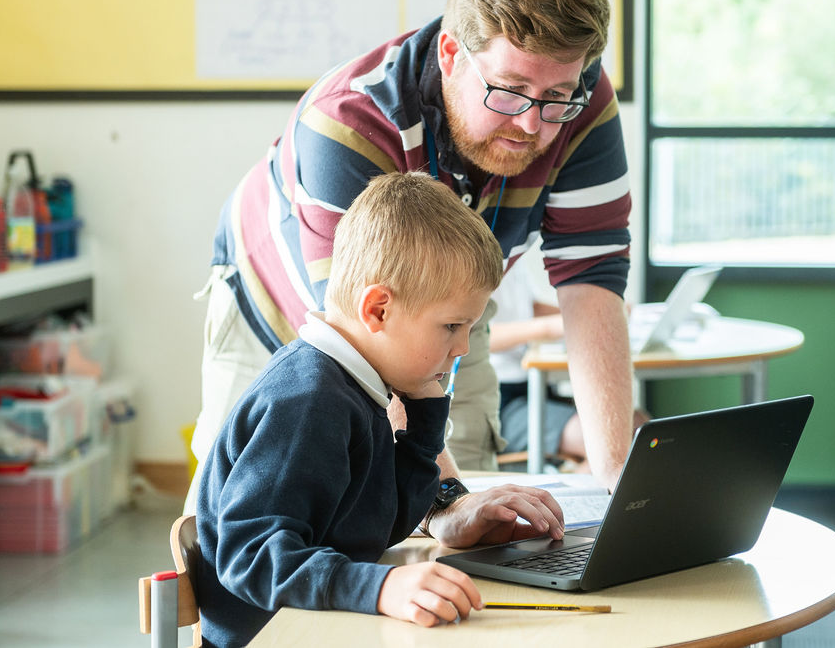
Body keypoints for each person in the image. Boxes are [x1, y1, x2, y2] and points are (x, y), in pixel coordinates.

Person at [186, 0, 635, 531]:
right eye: (510, 92)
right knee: (258, 523)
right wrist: (445, 497)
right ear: (452, 55)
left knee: (480, 526)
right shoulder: (347, 125)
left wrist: (620, 490)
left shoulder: (576, 98)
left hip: (447, 305)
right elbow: (365, 339)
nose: (534, 124)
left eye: (555, 96)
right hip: (291, 311)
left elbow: (592, 273)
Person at [195, 173, 564, 647]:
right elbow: (251, 557)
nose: (463, 347)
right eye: (452, 326)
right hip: (275, 636)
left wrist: (425, 415)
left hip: (322, 625)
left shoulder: (357, 385)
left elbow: (379, 522)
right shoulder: (308, 400)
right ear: (378, 311)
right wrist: (380, 586)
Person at [490, 262, 650, 471]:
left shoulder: (515, 258)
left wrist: (601, 315)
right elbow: (479, 334)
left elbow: (533, 308)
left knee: (640, 427)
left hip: (534, 389)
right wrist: (557, 325)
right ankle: (586, 500)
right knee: (620, 442)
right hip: (501, 402)